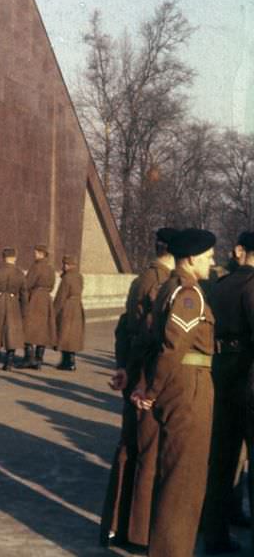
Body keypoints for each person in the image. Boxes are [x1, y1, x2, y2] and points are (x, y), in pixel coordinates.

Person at [131, 228, 216, 557]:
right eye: (208, 257)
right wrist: (151, 390)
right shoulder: (189, 294)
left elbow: (150, 341)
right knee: (185, 479)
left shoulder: (169, 286)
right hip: (188, 387)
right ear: (191, 259)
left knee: (169, 472)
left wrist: (145, 383)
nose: (213, 262)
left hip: (176, 384)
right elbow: (171, 347)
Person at [100, 227, 177, 550]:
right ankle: (138, 532)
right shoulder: (160, 284)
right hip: (145, 373)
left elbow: (123, 328)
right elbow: (151, 337)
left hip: (133, 370)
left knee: (130, 448)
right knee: (147, 454)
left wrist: (122, 366)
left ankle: (117, 525)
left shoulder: (141, 278)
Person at [203, 230, 254, 555]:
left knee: (221, 462)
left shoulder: (219, 286)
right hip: (250, 380)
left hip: (222, 378)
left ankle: (215, 535)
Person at [20, 244, 56, 369]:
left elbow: (27, 283)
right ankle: (39, 360)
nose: (34, 254)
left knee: (28, 328)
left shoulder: (36, 267)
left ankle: (29, 358)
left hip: (35, 298)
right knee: (43, 331)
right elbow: (52, 286)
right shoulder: (51, 269)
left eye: (36, 252)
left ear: (42, 254)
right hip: (46, 299)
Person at [54, 254, 85, 370]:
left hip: (67, 307)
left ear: (67, 265)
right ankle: (71, 361)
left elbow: (61, 295)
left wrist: (54, 310)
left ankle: (66, 362)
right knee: (73, 336)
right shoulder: (79, 276)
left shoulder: (67, 278)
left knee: (64, 334)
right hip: (77, 306)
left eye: (65, 264)